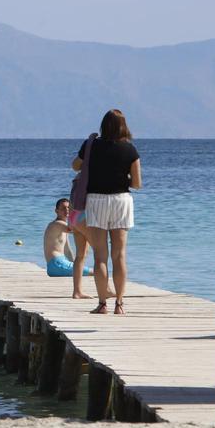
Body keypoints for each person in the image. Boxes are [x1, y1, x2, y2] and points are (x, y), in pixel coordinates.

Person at [74, 109, 141, 315]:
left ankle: (102, 303)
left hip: (96, 201)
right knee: (119, 255)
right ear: (124, 126)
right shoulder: (130, 150)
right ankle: (119, 304)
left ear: (103, 125)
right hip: (121, 200)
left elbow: (75, 166)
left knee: (100, 256)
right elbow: (137, 184)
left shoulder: (91, 145)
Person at [43, 200, 78, 277]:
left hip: (57, 265)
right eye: (63, 208)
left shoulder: (63, 228)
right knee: (92, 271)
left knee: (81, 269)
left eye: (69, 208)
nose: (67, 210)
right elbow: (78, 230)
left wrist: (75, 264)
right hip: (57, 263)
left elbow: (67, 250)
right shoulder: (57, 224)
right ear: (56, 211)